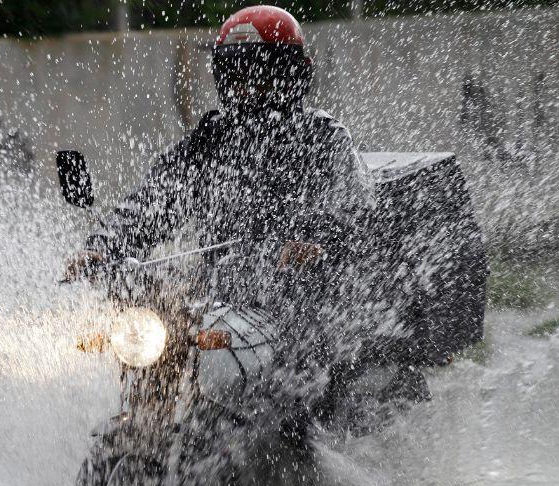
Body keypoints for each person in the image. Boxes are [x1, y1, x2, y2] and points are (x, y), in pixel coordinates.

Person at [64, 5, 375, 287]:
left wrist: (316, 244)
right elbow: (153, 200)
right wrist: (102, 247)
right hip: (220, 298)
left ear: (292, 75)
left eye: (258, 77)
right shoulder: (208, 141)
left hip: (302, 293)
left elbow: (353, 209)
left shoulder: (320, 136)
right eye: (234, 77)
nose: (244, 88)